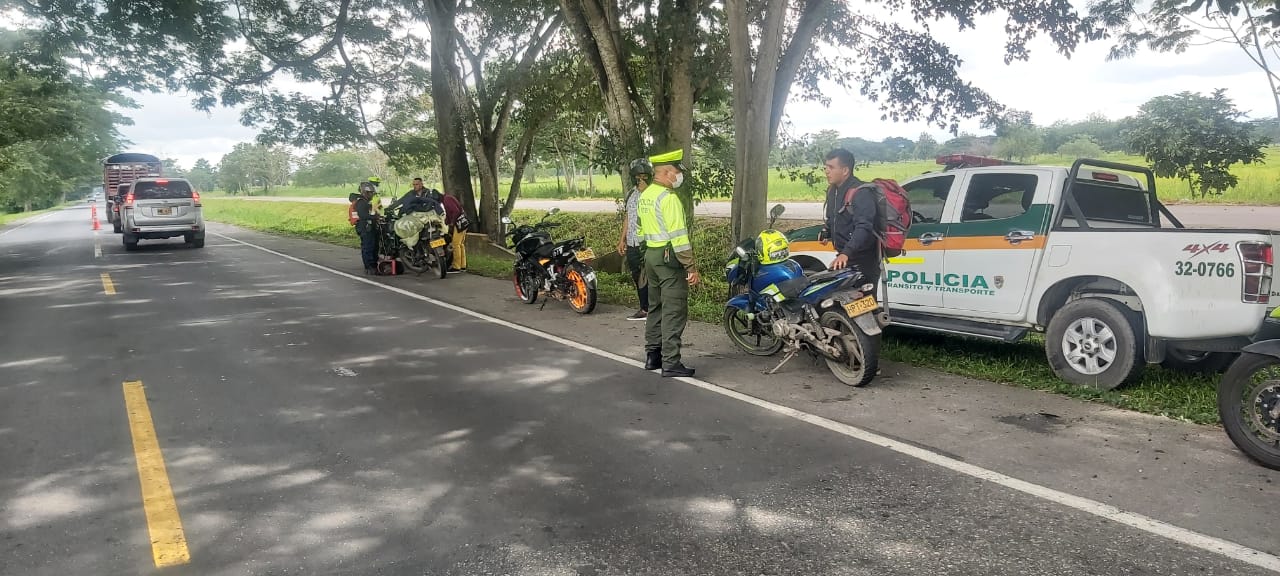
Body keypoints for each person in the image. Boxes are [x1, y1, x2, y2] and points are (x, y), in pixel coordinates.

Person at [636, 149, 698, 377]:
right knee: (674, 309)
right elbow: (679, 237)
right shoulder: (668, 198)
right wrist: (690, 267)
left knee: (656, 307)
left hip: (651, 256)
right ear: (665, 172)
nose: (679, 175)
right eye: (676, 171)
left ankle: (653, 356)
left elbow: (641, 229)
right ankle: (671, 362)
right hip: (668, 259)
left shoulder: (646, 195)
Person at [820, 148, 880, 291]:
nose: (826, 171)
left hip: (864, 261)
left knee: (864, 307)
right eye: (826, 167)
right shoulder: (833, 191)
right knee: (841, 305)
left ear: (845, 170)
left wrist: (846, 253)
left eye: (831, 167)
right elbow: (834, 218)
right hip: (844, 259)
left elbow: (864, 227)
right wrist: (826, 231)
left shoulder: (861, 192)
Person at [617, 158, 652, 320]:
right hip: (631, 242)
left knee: (649, 276)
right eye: (638, 176)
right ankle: (644, 308)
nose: (641, 179)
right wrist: (622, 239)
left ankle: (651, 309)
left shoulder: (653, 194)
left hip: (648, 243)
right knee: (637, 275)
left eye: (644, 175)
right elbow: (628, 217)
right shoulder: (631, 194)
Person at [435, 188, 467, 273]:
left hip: (459, 223)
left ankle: (456, 266)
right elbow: (450, 213)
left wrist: (452, 223)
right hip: (463, 222)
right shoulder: (447, 199)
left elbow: (456, 212)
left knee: (455, 244)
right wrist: (447, 221)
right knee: (460, 244)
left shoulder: (447, 199)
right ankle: (463, 265)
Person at [354, 181, 380, 275]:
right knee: (368, 247)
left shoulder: (367, 203)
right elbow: (363, 215)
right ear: (365, 192)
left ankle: (373, 265)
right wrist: (375, 217)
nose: (372, 195)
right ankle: (369, 267)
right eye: (371, 193)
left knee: (374, 247)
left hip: (370, 227)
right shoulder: (361, 203)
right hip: (365, 228)